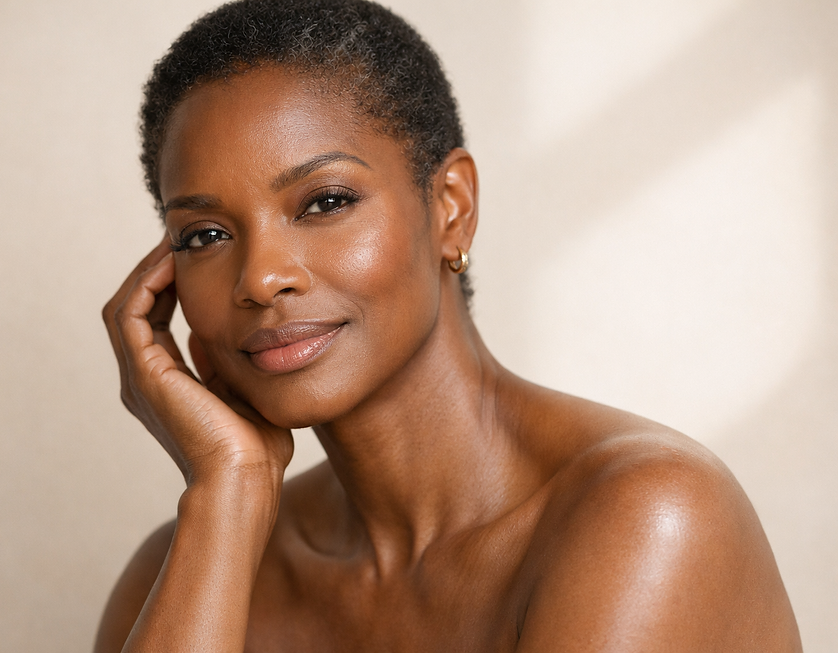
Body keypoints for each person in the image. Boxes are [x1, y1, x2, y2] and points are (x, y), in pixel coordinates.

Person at [96, 0, 802, 650]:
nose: (259, 277)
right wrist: (229, 486)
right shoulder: (193, 561)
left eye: (325, 201)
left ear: (451, 207)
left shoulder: (647, 517)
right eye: (204, 235)